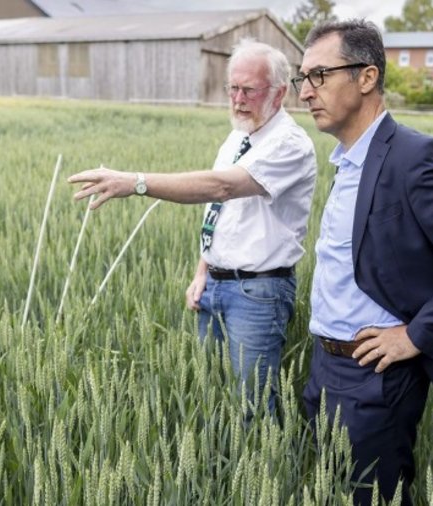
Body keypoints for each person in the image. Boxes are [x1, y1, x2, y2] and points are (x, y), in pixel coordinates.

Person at [293, 20, 433, 505]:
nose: (305, 92)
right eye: (302, 78)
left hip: (374, 378)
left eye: (319, 76)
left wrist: (415, 336)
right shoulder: (348, 160)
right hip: (323, 367)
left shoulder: (414, 157)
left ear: (367, 76)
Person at [68, 39, 317, 415]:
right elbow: (220, 211)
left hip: (258, 293)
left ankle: (265, 473)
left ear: (279, 93)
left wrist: (135, 182)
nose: (237, 99)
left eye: (248, 89)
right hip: (216, 286)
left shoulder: (289, 144)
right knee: (214, 398)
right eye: (232, 88)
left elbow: (221, 187)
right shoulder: (239, 136)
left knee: (253, 409)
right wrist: (204, 270)